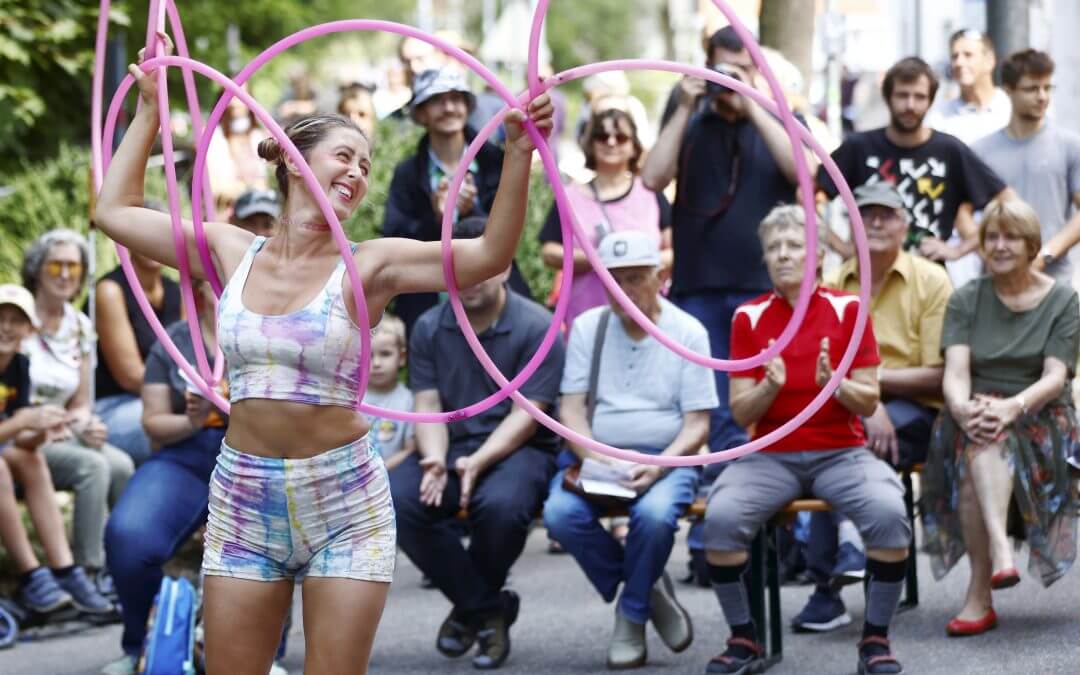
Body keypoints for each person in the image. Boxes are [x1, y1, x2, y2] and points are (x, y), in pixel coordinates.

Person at [91, 34, 553, 674]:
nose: (358, 174)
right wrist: (148, 113)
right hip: (244, 495)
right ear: (290, 159)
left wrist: (520, 152)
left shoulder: (371, 264)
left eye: (366, 166)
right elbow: (113, 211)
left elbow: (487, 256)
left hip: (344, 499)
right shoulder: (229, 250)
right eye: (345, 156)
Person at [702, 206, 910, 675]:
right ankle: (744, 639)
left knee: (889, 515)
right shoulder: (748, 317)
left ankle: (875, 639)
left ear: (816, 255)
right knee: (720, 519)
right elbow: (740, 412)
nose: (783, 255)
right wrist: (769, 388)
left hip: (840, 450)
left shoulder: (848, 309)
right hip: (770, 454)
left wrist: (836, 384)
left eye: (795, 245)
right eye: (773, 248)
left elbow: (868, 398)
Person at [389, 215, 564, 670]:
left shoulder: (537, 326)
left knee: (502, 506)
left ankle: (470, 611)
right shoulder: (428, 326)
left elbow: (529, 414)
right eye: (456, 269)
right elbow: (426, 403)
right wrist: (433, 459)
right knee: (400, 498)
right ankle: (487, 610)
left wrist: (479, 461)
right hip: (449, 443)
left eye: (477, 266)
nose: (465, 280)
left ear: (503, 267)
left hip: (518, 448)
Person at [542, 231, 716, 669]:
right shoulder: (588, 327)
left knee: (655, 516)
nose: (623, 289)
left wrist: (656, 467)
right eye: (613, 279)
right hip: (597, 457)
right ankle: (646, 586)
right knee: (560, 515)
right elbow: (572, 411)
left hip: (667, 458)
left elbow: (698, 425)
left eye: (635, 278)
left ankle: (632, 615)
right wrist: (596, 456)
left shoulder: (688, 331)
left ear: (661, 278)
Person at [642, 25, 816, 455]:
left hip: (767, 284)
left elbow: (806, 174)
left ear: (757, 69)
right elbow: (652, 177)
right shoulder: (690, 111)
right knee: (715, 402)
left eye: (739, 69)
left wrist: (754, 103)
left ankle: (778, 504)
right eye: (721, 69)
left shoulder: (778, 112)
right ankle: (724, 491)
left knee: (776, 391)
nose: (728, 79)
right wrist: (685, 107)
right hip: (699, 283)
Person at [788, 183, 952, 632]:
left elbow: (940, 373)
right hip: (852, 407)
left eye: (886, 214)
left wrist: (870, 389)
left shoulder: (931, 279)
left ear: (905, 225)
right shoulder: (833, 281)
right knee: (826, 439)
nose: (876, 223)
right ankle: (835, 575)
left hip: (915, 410)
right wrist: (863, 399)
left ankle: (836, 573)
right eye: (866, 215)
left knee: (848, 440)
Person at [921, 198, 1080, 636]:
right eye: (991, 236)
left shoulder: (1063, 299)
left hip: (1042, 414)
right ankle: (996, 563)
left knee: (986, 440)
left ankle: (980, 592)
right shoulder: (966, 298)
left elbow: (1054, 377)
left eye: (1011, 236)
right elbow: (955, 375)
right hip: (976, 411)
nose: (1000, 245)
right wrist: (961, 406)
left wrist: (1012, 407)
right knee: (980, 438)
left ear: (1032, 246)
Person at [817, 56, 1009, 289]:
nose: (910, 105)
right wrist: (842, 247)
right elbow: (807, 196)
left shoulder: (948, 150)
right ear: (888, 97)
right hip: (868, 280)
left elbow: (1005, 201)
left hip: (928, 283)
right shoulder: (860, 147)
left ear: (930, 101)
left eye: (919, 97)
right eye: (902, 95)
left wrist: (959, 249)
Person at [21, 230, 133, 608]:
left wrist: (85, 423)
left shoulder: (81, 326)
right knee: (91, 467)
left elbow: (81, 402)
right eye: (56, 264)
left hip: (62, 431)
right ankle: (86, 572)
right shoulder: (16, 318)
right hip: (24, 435)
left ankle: (122, 567)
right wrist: (40, 423)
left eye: (74, 266)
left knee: (119, 464)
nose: (65, 274)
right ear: (37, 270)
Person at [383, 66, 533, 335]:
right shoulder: (408, 173)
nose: (449, 108)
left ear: (467, 106)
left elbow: (512, 231)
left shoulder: (494, 160)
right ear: (421, 113)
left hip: (490, 294)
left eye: (456, 98)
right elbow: (394, 236)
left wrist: (470, 211)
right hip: (429, 300)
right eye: (438, 101)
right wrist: (435, 218)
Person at [0, 285, 113, 617]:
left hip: (9, 447)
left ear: (28, 330)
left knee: (30, 457)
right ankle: (31, 574)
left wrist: (43, 431)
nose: (6, 327)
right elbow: (15, 425)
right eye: (0, 318)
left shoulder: (19, 365)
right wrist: (23, 422)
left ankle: (65, 571)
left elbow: (20, 440)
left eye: (15, 321)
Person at [539, 108, 672, 330]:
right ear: (590, 143)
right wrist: (599, 259)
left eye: (620, 137)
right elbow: (549, 252)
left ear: (633, 146)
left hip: (646, 316)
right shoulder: (570, 196)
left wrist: (635, 261)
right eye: (602, 135)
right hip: (587, 314)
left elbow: (673, 251)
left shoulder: (651, 193)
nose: (611, 142)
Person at [973, 49, 1080, 284]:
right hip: (996, 284)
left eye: (1047, 87)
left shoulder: (1070, 146)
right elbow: (963, 214)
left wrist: (1046, 255)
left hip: (1054, 283)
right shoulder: (981, 151)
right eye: (1031, 88)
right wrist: (991, 254)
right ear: (1008, 91)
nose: (1042, 96)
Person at [92, 218, 182, 465]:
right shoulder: (111, 289)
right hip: (114, 406)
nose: (153, 243)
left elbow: (188, 359)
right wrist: (185, 397)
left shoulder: (175, 291)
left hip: (165, 400)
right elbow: (131, 376)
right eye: (146, 234)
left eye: (160, 235)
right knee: (182, 428)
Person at [929, 29, 1011, 146]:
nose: (959, 63)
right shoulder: (938, 117)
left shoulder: (1011, 108)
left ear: (990, 61)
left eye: (968, 55)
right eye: (954, 57)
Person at [361, 314, 415, 471]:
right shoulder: (351, 398)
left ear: (402, 357)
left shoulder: (409, 400)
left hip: (391, 478)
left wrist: (379, 470)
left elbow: (410, 448)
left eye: (385, 354)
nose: (376, 363)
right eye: (368, 355)